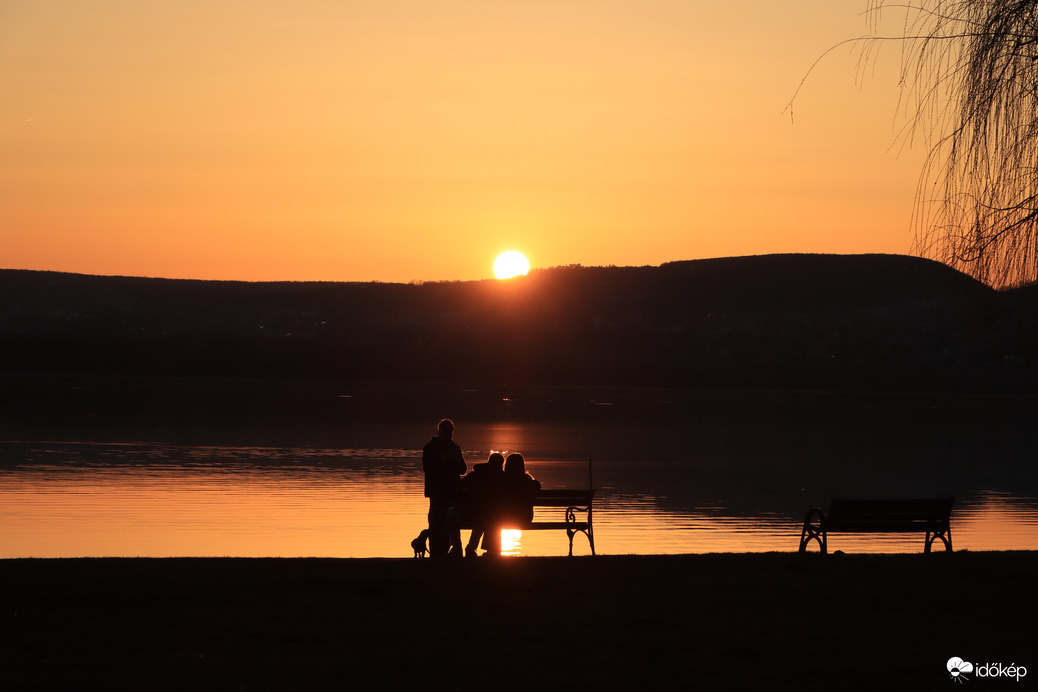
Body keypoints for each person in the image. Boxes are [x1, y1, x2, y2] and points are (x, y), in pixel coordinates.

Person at [421, 418, 467, 558]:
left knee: (452, 522)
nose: (448, 433)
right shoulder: (430, 448)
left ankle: (453, 551)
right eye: (445, 430)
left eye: (450, 430)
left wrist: (456, 458)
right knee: (436, 522)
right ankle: (436, 552)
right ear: (439, 431)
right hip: (437, 491)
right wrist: (444, 460)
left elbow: (463, 469)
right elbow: (428, 469)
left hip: (452, 492)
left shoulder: (455, 447)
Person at [458, 452, 505, 558]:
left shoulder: (476, 474)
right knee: (491, 517)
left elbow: (460, 486)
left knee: (485, 517)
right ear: (501, 464)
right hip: (491, 516)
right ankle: (491, 550)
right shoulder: (502, 478)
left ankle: (471, 547)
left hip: (472, 514)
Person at [499, 453, 541, 528]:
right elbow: (537, 485)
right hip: (525, 519)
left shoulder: (502, 480)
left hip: (504, 519)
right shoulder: (527, 481)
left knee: (493, 522)